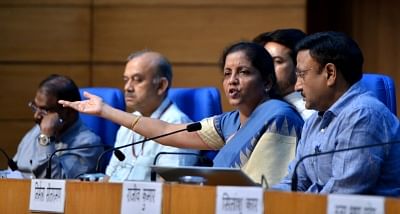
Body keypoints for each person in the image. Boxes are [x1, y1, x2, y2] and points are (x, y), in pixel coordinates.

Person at [59, 42, 304, 186]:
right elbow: (166, 131)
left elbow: (264, 188)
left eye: (243, 72)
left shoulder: (277, 116)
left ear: (268, 82)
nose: (232, 81)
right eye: (227, 73)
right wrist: (105, 111)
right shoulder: (230, 120)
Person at [272, 31, 400, 196]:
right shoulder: (314, 121)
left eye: (302, 75)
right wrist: (260, 199)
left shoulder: (363, 115)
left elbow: (342, 193)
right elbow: (296, 183)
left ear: (330, 73)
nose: (297, 86)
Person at [104, 51, 198, 182]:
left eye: (137, 80)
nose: (127, 87)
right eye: (126, 80)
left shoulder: (178, 126)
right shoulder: (127, 123)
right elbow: (109, 177)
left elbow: (169, 187)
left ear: (161, 86)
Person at [13, 74, 103, 179]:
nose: (36, 116)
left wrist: (46, 139)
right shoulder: (36, 130)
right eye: (35, 107)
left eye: (44, 110)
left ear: (70, 111)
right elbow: (13, 169)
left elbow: (53, 184)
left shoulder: (89, 144)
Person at [253, 28, 314, 119]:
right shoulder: (258, 107)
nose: (268, 67)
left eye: (277, 61)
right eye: (265, 61)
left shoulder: (310, 115)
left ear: (299, 67)